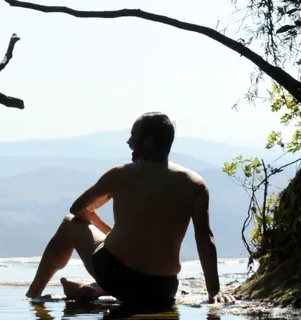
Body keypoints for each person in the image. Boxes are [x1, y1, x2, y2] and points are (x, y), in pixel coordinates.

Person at [25, 112, 236, 307]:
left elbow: (78, 209)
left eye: (134, 137)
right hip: (163, 288)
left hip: (117, 276)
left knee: (69, 223)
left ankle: (34, 294)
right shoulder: (195, 184)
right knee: (125, 275)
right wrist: (214, 291)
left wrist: (105, 230)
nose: (129, 142)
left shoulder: (120, 175)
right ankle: (86, 290)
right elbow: (205, 237)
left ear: (150, 141)